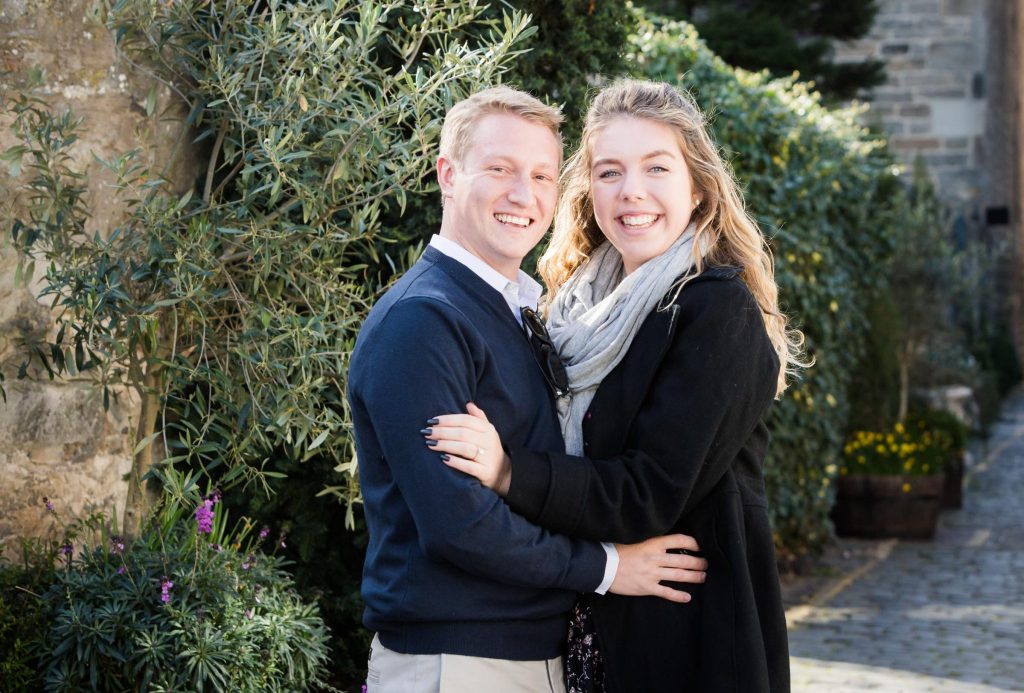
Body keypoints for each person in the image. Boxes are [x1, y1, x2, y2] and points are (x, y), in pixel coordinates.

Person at [424, 79, 806, 693]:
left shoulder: (714, 311)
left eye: (657, 168)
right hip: (583, 632)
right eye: (608, 172)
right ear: (589, 190)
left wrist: (507, 472)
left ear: (698, 186)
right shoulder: (570, 309)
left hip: (686, 645)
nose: (632, 192)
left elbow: (648, 493)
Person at [347, 85, 708, 693]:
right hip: (458, 662)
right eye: (500, 169)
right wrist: (608, 568)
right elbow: (460, 525)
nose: (525, 195)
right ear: (448, 175)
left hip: (524, 658)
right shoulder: (423, 321)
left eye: (543, 176)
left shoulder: (516, 312)